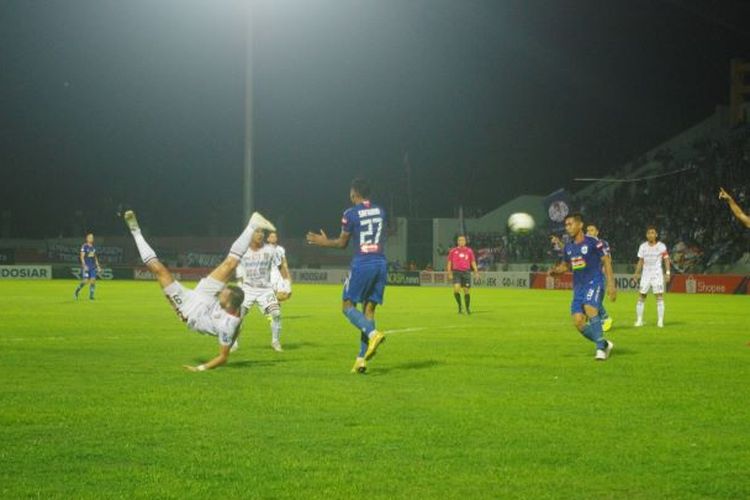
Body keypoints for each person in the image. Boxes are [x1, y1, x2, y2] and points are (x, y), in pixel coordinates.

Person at [123, 209, 275, 371]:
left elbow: (223, 357)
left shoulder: (227, 325)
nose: (222, 291)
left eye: (224, 293)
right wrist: (233, 339)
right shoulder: (236, 312)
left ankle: (135, 231)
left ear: (229, 302)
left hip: (190, 309)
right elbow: (240, 323)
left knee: (159, 270)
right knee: (230, 264)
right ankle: (252, 225)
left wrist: (199, 368)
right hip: (206, 296)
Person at [306, 178, 387, 374]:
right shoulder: (380, 211)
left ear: (354, 194)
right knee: (369, 310)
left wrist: (323, 242)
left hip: (363, 263)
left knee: (347, 306)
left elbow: (342, 243)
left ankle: (373, 334)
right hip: (381, 262)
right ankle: (361, 360)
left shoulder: (350, 214)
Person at [549, 213, 616, 361]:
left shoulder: (593, 242)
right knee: (578, 322)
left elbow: (606, 261)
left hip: (595, 281)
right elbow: (566, 266)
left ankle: (600, 350)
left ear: (580, 225)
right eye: (566, 225)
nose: (568, 227)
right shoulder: (569, 247)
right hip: (578, 288)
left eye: (571, 224)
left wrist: (611, 284)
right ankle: (604, 343)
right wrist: (556, 272)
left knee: (590, 308)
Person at [236, 229, 291, 352]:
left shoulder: (271, 250)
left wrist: (286, 284)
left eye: (261, 232)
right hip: (248, 290)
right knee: (237, 317)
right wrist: (240, 286)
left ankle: (275, 342)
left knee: (276, 314)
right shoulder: (243, 250)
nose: (260, 234)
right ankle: (234, 342)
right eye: (257, 232)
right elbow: (239, 269)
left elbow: (281, 266)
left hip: (265, 290)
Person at [633, 226, 671, 328]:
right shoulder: (643, 246)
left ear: (656, 235)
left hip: (657, 274)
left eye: (653, 233)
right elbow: (640, 261)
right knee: (641, 296)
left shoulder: (661, 246)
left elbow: (666, 259)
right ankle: (639, 320)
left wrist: (667, 273)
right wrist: (636, 275)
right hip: (645, 274)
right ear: (646, 235)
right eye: (649, 233)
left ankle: (660, 321)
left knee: (659, 296)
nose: (651, 234)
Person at [585, 223, 614, 332]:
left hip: (597, 276)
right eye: (587, 230)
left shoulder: (601, 243)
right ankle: (595, 320)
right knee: (590, 299)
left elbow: (608, 259)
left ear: (597, 232)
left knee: (592, 299)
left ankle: (605, 318)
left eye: (592, 230)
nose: (589, 232)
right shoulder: (585, 244)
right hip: (587, 277)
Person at [446, 235, 479, 314]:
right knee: (456, 289)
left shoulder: (469, 251)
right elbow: (449, 262)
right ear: (457, 242)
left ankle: (467, 308)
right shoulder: (453, 251)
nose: (461, 242)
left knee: (466, 290)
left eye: (463, 240)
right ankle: (460, 306)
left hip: (466, 272)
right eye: (460, 240)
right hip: (456, 272)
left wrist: (476, 271)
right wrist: (449, 272)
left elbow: (472, 262)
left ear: (465, 241)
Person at [74, 233, 102, 300]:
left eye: (92, 237)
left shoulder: (93, 248)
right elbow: (82, 257)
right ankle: (77, 291)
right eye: (90, 237)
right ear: (87, 238)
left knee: (93, 280)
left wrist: (98, 266)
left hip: (92, 267)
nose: (91, 239)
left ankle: (91, 296)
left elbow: (95, 258)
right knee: (85, 281)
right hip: (86, 267)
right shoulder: (84, 246)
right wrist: (84, 265)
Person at [267, 231, 293, 302]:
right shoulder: (265, 249)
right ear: (268, 239)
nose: (273, 238)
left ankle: (274, 305)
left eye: (275, 237)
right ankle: (272, 307)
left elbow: (284, 262)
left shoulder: (280, 249)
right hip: (270, 274)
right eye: (271, 237)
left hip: (281, 274)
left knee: (286, 294)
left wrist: (288, 275)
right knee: (271, 294)